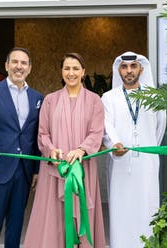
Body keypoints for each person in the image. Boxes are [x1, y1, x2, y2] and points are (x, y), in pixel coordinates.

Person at [24, 53, 106, 248]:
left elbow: (96, 132)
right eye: (67, 68)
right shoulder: (50, 100)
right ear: (61, 72)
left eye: (76, 68)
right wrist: (50, 150)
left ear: (83, 72)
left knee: (81, 210)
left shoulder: (95, 101)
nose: (71, 73)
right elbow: (42, 133)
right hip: (54, 170)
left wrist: (81, 149)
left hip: (82, 169)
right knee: (53, 218)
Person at [0, 47, 43, 248]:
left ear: (29, 68)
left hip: (23, 172)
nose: (19, 66)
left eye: (23, 63)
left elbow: (37, 135)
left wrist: (36, 170)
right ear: (6, 66)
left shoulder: (38, 98)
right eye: (14, 62)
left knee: (15, 227)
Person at [101, 51, 167, 248]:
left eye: (133, 66)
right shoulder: (109, 97)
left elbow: (160, 127)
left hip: (147, 166)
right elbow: (106, 127)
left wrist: (148, 152)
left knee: (147, 210)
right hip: (120, 166)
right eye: (124, 67)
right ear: (118, 70)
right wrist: (115, 144)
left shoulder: (155, 98)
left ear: (141, 69)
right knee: (121, 212)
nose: (129, 71)